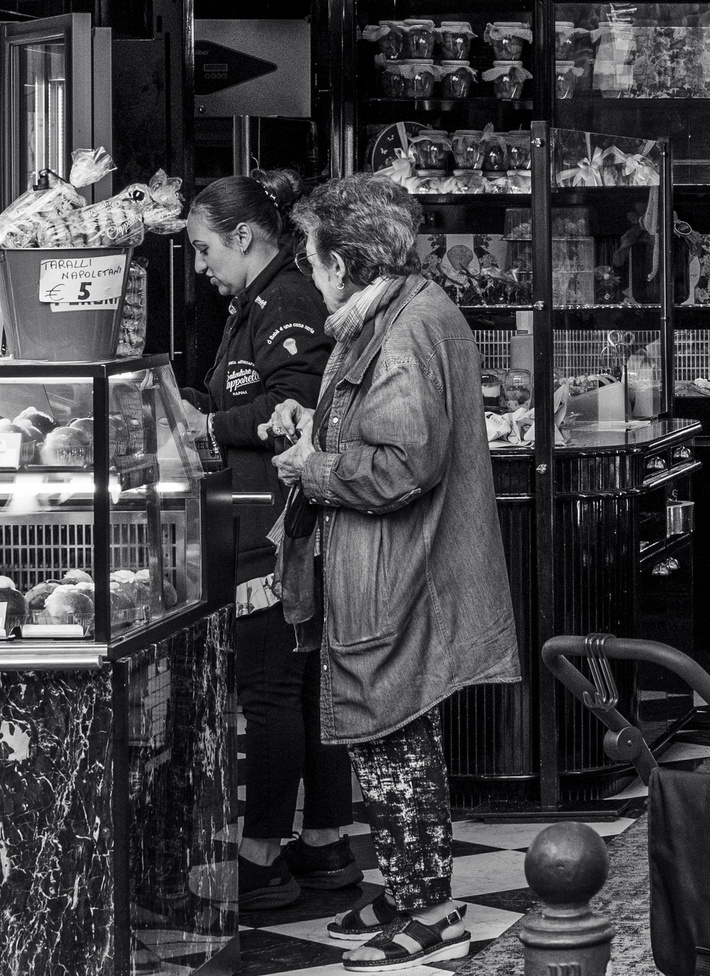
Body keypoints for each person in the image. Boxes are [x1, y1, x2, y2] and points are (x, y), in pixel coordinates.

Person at [270, 173, 520, 969]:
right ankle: (409, 890)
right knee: (390, 740)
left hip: (399, 570)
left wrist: (314, 464)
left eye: (311, 256)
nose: (307, 272)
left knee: (398, 740)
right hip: (390, 567)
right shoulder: (391, 311)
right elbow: (372, 428)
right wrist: (316, 426)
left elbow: (401, 462)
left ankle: (431, 910)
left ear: (343, 260)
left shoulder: (407, 324)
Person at [181, 170, 359, 913]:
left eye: (202, 249)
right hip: (278, 516)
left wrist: (210, 426)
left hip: (279, 523)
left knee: (271, 691)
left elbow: (301, 403)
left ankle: (261, 858)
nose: (199, 265)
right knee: (305, 688)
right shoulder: (259, 297)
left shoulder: (282, 298)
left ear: (244, 236)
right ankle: (324, 841)